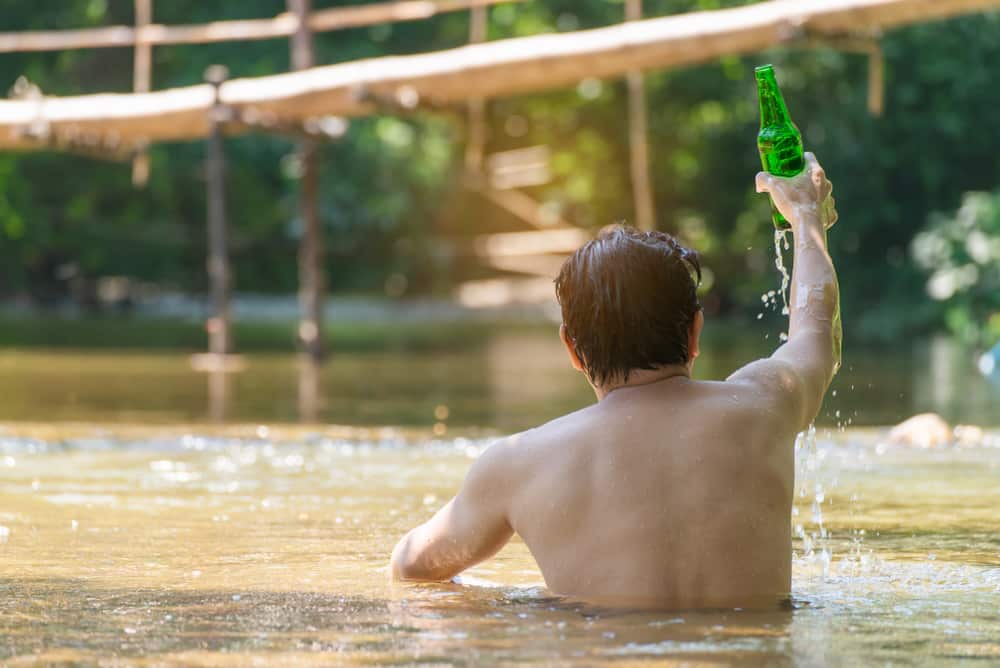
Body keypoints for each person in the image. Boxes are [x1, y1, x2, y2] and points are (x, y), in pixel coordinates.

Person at [390, 153, 841, 609]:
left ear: (571, 348)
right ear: (695, 332)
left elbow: (411, 568)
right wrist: (806, 216)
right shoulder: (767, 403)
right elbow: (815, 324)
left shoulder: (517, 464)